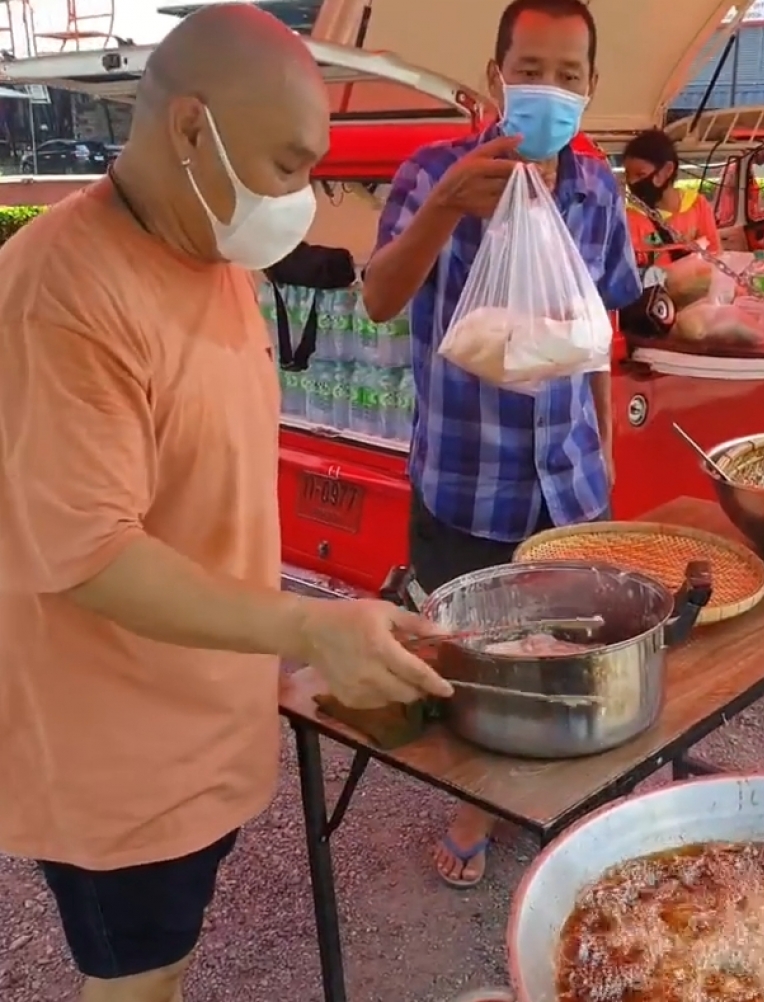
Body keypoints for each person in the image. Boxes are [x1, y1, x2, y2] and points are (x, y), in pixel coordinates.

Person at [0, 6, 452, 1002]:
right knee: (138, 984)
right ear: (191, 129)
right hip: (119, 760)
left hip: (207, 723)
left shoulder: (210, 254)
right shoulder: (61, 292)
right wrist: (308, 624)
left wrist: (288, 643)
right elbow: (92, 553)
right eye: (289, 166)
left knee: (170, 964)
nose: (301, 198)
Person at [362, 0, 642, 889]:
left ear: (590, 88)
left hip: (571, 479)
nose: (548, 89)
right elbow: (379, 297)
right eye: (530, 70)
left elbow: (597, 332)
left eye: (568, 75)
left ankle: (551, 788)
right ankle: (477, 797)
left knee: (564, 643)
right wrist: (449, 205)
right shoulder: (432, 173)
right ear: (496, 78)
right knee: (475, 658)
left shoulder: (597, 192)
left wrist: (604, 443)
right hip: (467, 476)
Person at [623, 128, 721, 273]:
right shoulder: (632, 217)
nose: (632, 182)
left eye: (640, 174)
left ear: (667, 170)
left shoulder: (697, 204)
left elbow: (715, 252)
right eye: (628, 175)